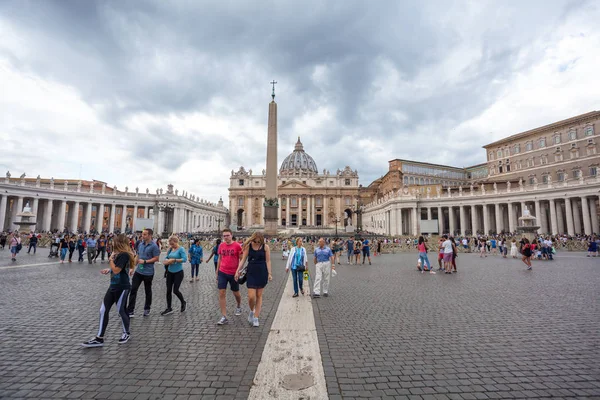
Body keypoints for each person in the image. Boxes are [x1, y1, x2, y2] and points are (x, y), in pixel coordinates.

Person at [81, 234, 134, 347]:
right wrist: (109, 269)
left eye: (114, 241)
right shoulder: (119, 254)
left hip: (122, 286)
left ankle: (126, 333)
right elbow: (117, 269)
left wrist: (110, 260)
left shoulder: (124, 255)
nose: (112, 243)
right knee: (103, 310)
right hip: (113, 285)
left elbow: (117, 270)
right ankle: (99, 338)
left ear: (119, 242)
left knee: (121, 311)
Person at [236, 232, 272, 327]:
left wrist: (269, 273)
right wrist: (237, 271)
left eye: (259, 241)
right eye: (256, 241)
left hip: (262, 272)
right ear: (253, 239)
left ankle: (256, 317)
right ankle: (252, 311)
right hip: (251, 272)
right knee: (251, 296)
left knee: (259, 295)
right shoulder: (248, 246)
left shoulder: (265, 247)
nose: (257, 243)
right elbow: (243, 260)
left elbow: (268, 261)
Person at [126, 228, 160, 318]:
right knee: (133, 289)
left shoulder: (154, 246)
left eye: (145, 234)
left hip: (148, 272)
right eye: (142, 234)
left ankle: (147, 308)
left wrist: (145, 261)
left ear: (149, 235)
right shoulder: (140, 244)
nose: (142, 236)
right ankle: (130, 310)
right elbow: (137, 255)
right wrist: (132, 267)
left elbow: (156, 258)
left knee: (147, 290)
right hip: (139, 271)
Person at [216, 228, 243, 325]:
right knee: (222, 293)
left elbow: (241, 260)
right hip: (222, 272)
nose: (226, 237)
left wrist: (238, 271)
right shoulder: (221, 245)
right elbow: (220, 258)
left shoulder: (237, 246)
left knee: (236, 292)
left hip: (233, 273)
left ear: (231, 235)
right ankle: (224, 316)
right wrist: (217, 272)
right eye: (224, 236)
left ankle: (239, 305)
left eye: (227, 235)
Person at [161, 235, 188, 316]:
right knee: (168, 290)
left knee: (175, 290)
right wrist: (166, 260)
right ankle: (169, 308)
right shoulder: (170, 249)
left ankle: (183, 302)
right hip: (170, 272)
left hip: (178, 272)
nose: (171, 245)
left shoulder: (181, 249)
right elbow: (166, 257)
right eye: (170, 244)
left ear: (176, 242)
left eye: (172, 244)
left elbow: (184, 259)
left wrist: (175, 260)